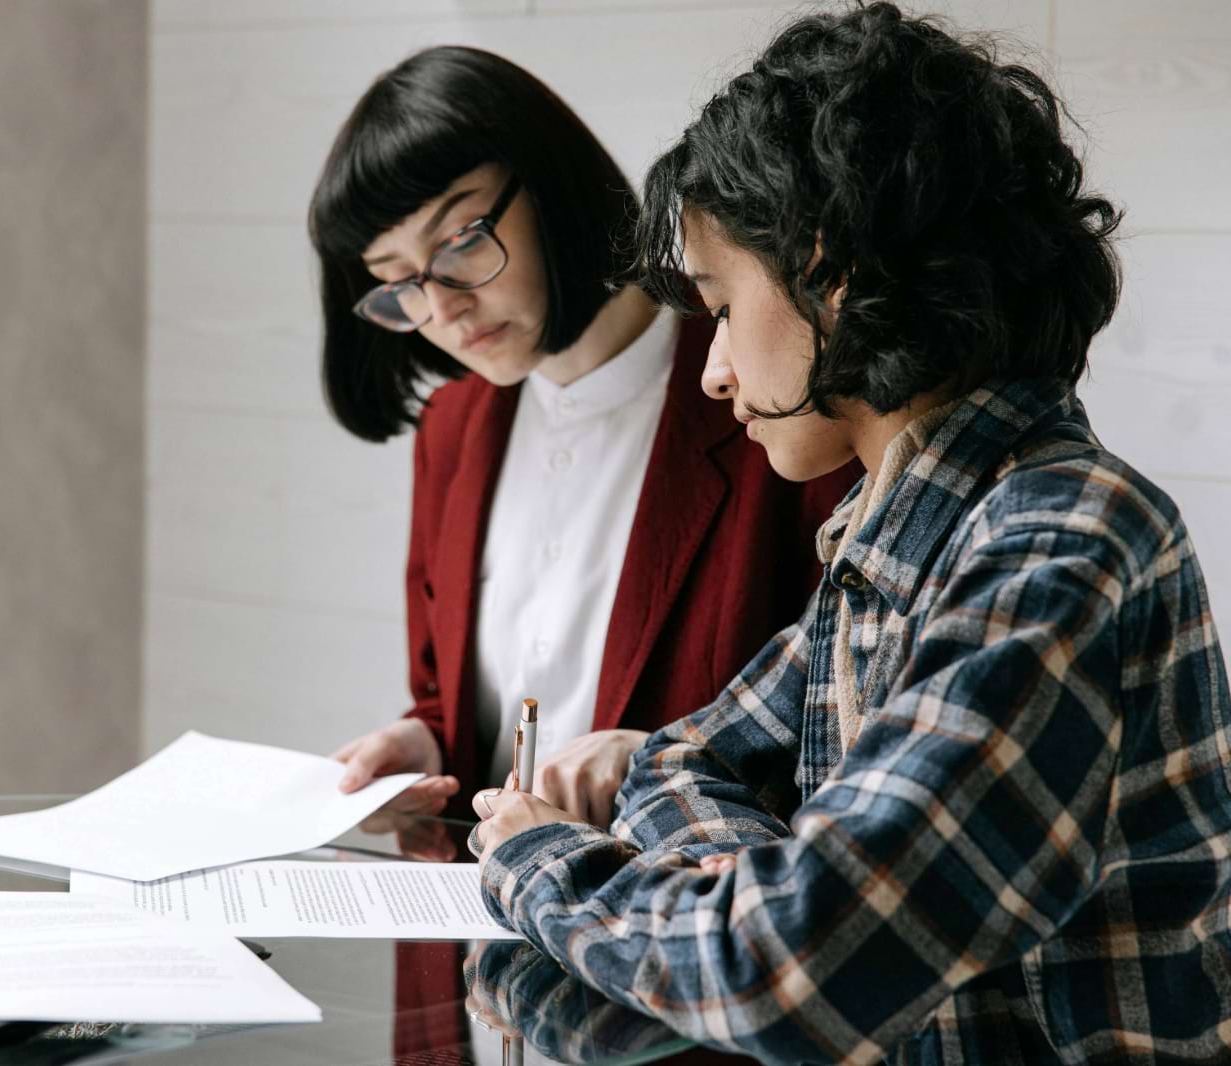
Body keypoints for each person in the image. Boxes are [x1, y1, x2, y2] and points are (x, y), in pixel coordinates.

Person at [471, 5, 1231, 1063]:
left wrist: (538, 859)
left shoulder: (1061, 546)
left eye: (723, 306)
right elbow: (677, 762)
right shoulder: (884, 533)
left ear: (828, 274)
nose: (713, 368)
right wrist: (762, 881)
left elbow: (786, 974)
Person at [309, 45, 859, 832]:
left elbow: (847, 724)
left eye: (460, 241)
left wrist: (660, 757)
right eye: (399, 281)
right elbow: (452, 694)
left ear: (553, 183)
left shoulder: (766, 393)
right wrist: (423, 742)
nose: (444, 310)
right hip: (472, 920)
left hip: (667, 927)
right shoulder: (452, 429)